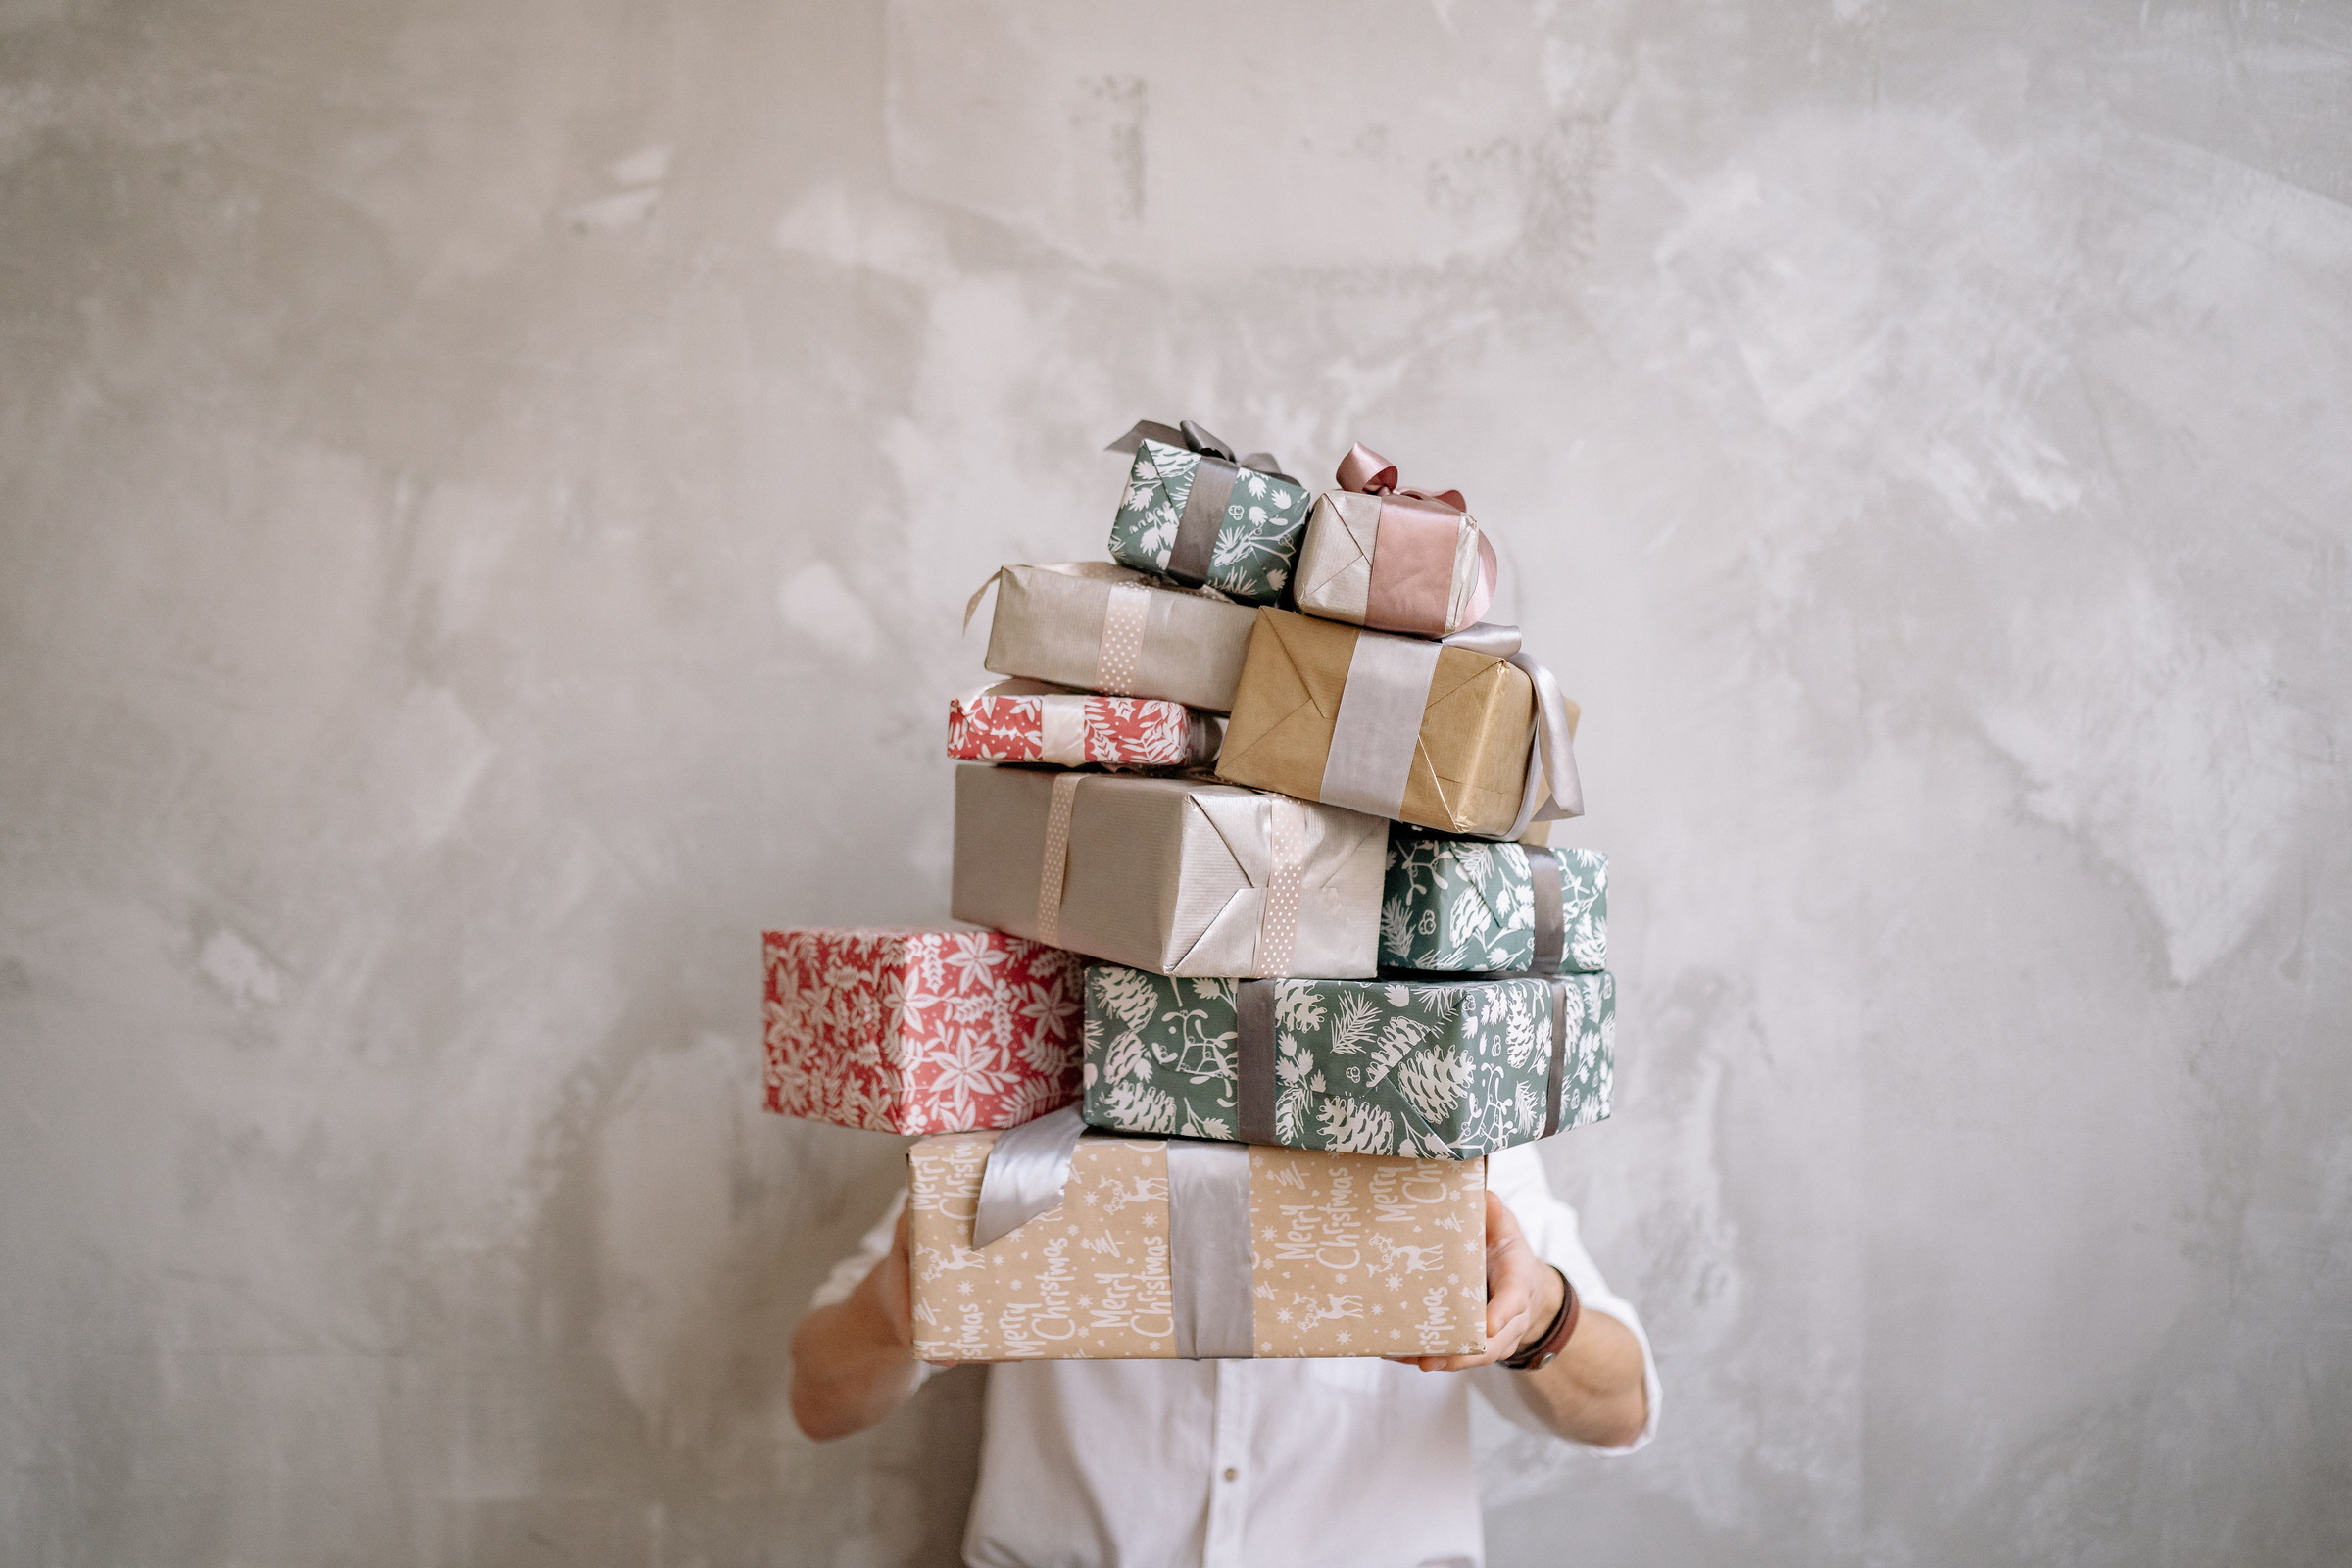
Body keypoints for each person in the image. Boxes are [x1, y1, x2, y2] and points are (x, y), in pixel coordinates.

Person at [791, 1142, 1657, 1568]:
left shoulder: (1445, 1114)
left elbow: (1623, 1410)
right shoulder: (1033, 1111)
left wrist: (1540, 1311)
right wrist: (904, 1301)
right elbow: (819, 1398)